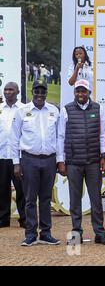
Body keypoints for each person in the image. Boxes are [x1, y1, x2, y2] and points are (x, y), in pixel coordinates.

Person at [56, 80, 105, 246]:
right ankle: (76, 233)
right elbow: (60, 136)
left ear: (89, 92)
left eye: (84, 91)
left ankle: (99, 233)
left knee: (96, 199)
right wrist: (61, 160)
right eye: (78, 91)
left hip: (93, 161)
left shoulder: (98, 108)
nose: (81, 94)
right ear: (74, 92)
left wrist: (103, 156)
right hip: (73, 161)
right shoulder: (66, 110)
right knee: (75, 200)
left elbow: (102, 134)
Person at [10, 80, 60, 246]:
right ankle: (30, 233)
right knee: (30, 199)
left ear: (46, 93)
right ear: (32, 92)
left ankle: (46, 233)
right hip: (29, 160)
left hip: (49, 160)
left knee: (46, 199)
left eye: (43, 92)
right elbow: (14, 138)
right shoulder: (22, 111)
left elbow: (59, 138)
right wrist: (16, 163)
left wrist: (60, 160)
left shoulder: (54, 111)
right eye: (37, 91)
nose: (40, 95)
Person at [0, 82, 26, 229]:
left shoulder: (23, 109)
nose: (7, 92)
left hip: (19, 156)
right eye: (6, 89)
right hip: (2, 155)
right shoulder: (0, 109)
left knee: (22, 188)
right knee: (2, 188)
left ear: (17, 92)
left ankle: (24, 219)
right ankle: (3, 219)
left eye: (11, 89)